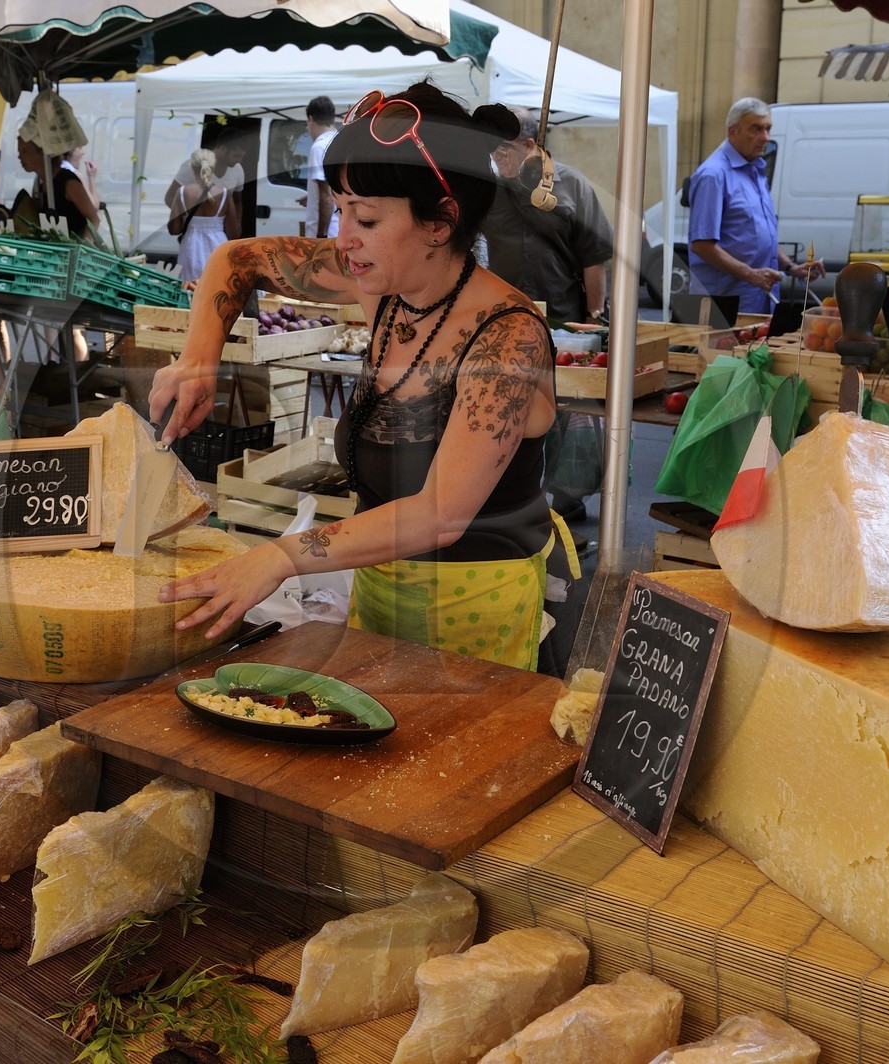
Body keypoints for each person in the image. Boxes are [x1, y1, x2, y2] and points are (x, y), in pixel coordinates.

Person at [150, 82, 573, 671]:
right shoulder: (385, 290)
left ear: (440, 222)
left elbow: (440, 514)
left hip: (479, 612)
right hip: (376, 592)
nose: (342, 237)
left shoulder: (507, 337)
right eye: (341, 208)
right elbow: (235, 260)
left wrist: (281, 556)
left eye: (366, 218)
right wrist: (198, 359)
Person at [481, 106, 614, 527]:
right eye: (493, 150)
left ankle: (565, 496)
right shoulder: (486, 189)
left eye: (506, 149)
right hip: (501, 319)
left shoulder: (570, 184)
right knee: (502, 407)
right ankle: (505, 492)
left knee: (559, 412)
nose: (499, 157)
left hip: (561, 319)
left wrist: (594, 317)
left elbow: (595, 259)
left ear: (530, 145)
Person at [686, 97, 823, 315]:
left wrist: (790, 268)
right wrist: (751, 275)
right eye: (756, 129)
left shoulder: (755, 170)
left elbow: (761, 234)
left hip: (759, 298)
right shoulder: (713, 175)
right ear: (733, 131)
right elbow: (702, 245)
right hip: (724, 303)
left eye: (768, 129)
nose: (765, 137)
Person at [168, 148, 238, 283]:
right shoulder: (224, 193)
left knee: (191, 290)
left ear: (191, 167)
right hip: (218, 247)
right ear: (213, 166)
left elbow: (174, 230)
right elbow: (232, 232)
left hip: (191, 248)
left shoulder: (182, 192)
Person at [165, 128, 249, 238]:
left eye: (242, 156)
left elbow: (238, 201)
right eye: (236, 156)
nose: (239, 160)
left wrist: (236, 224)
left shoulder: (238, 170)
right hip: (193, 235)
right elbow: (170, 197)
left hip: (220, 237)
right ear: (222, 149)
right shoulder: (192, 166)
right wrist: (190, 219)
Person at [15, 136, 99, 241]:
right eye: (19, 151)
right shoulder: (42, 184)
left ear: (42, 152)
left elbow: (94, 219)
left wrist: (83, 250)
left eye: (25, 151)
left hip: (77, 252)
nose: (19, 157)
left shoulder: (68, 182)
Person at [303, 96, 339, 239]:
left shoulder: (319, 147)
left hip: (326, 230)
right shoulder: (339, 141)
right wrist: (312, 196)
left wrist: (321, 235)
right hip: (339, 227)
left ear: (311, 119)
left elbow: (326, 195)